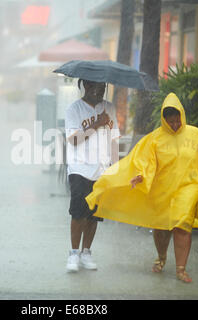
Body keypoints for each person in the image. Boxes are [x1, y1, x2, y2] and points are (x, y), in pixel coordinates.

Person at [86, 93, 198, 283]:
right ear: (164, 120)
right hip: (161, 189)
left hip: (188, 188)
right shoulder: (154, 138)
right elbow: (143, 160)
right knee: (162, 227)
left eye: (177, 120)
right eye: (170, 121)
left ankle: (181, 269)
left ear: (182, 115)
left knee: (182, 225)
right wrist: (140, 174)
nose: (174, 125)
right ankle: (162, 257)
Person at [65, 79, 120, 272]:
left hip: (102, 169)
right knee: (78, 213)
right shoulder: (74, 110)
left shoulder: (110, 108)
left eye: (104, 88)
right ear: (86, 86)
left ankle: (86, 252)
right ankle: (73, 254)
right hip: (80, 168)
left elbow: (114, 140)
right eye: (97, 88)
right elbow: (73, 140)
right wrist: (96, 123)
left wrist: (115, 168)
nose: (101, 92)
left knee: (94, 214)